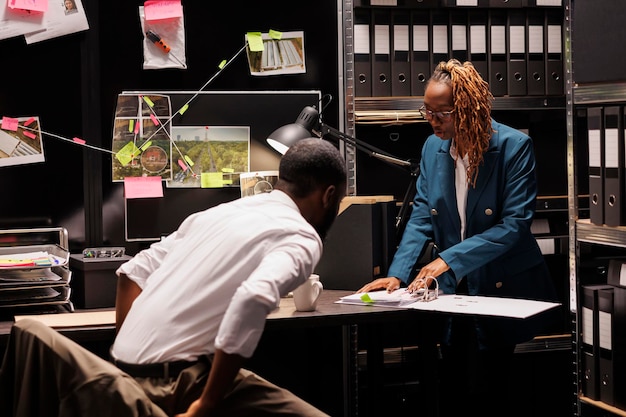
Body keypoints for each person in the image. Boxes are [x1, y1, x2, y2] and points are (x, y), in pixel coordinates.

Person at [0, 138, 347, 417]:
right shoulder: (301, 236)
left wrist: (128, 362)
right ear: (329, 195)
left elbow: (131, 273)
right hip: (178, 383)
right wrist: (206, 404)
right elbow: (253, 297)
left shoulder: (217, 214)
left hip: (118, 376)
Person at [357, 59, 559, 417]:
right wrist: (398, 273)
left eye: (442, 113)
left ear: (466, 108)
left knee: (497, 386)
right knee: (450, 381)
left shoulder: (514, 147)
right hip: (452, 287)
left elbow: (514, 224)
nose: (432, 120)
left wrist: (450, 258)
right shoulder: (433, 148)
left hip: (503, 284)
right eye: (427, 111)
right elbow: (422, 214)